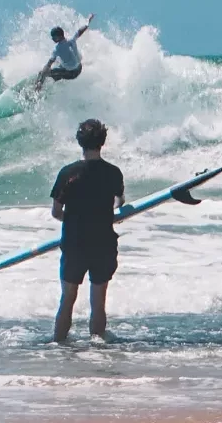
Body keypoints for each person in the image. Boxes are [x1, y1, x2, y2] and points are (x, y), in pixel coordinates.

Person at [50, 119, 124, 342]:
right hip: (103, 242)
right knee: (98, 301)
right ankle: (98, 349)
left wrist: (73, 221)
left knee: (68, 298)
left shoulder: (68, 173)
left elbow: (56, 212)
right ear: (102, 142)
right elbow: (119, 203)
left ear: (79, 141)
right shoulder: (113, 173)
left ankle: (58, 345)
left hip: (74, 242)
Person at [34, 14, 95, 92]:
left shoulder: (57, 49)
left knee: (42, 73)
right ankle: (56, 78)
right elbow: (81, 29)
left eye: (53, 37)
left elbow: (48, 64)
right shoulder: (72, 39)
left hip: (71, 74)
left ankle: (37, 89)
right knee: (60, 63)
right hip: (79, 69)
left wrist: (41, 79)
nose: (52, 38)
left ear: (58, 36)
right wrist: (88, 20)